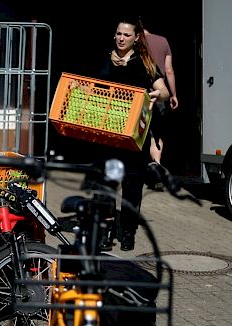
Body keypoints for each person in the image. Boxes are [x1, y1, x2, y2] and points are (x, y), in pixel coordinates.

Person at [97, 15, 170, 252]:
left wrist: (156, 95)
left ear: (136, 37)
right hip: (107, 133)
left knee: (132, 185)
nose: (121, 38)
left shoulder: (144, 63)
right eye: (118, 33)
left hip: (135, 135)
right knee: (107, 185)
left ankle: (128, 233)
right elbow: (86, 84)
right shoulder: (103, 59)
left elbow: (165, 91)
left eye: (127, 35)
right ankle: (107, 232)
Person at [142, 17, 179, 166]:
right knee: (156, 133)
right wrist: (173, 94)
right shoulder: (163, 41)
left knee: (139, 130)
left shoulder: (136, 41)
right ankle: (156, 165)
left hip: (140, 92)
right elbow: (169, 70)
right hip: (159, 93)